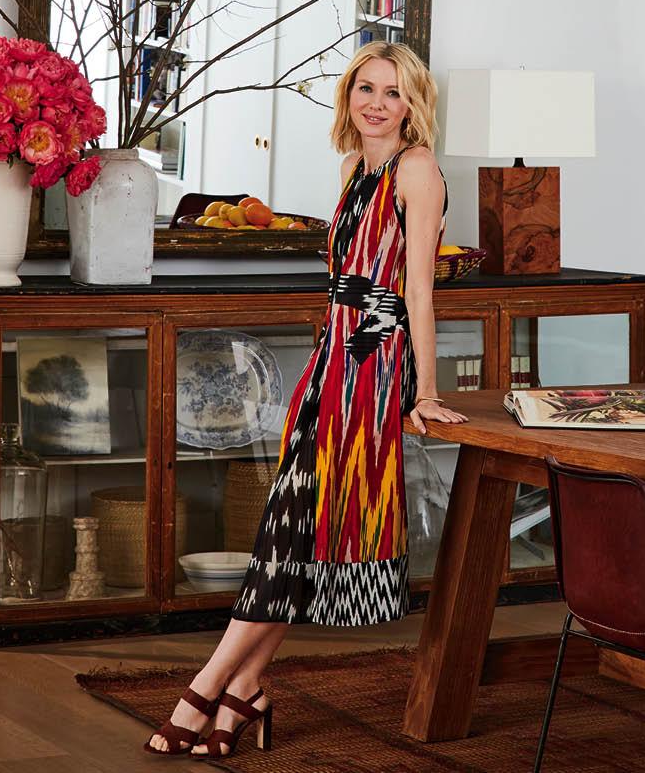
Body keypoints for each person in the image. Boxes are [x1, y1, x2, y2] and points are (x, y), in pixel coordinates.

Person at [146, 40, 468, 759]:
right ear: (349, 95)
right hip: (331, 364)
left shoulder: (417, 169)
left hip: (373, 369)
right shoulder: (354, 167)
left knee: (295, 525)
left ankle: (208, 687)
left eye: (393, 91)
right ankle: (245, 689)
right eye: (366, 88)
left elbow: (418, 289)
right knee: (296, 527)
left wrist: (424, 390)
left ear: (412, 104)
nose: (377, 103)